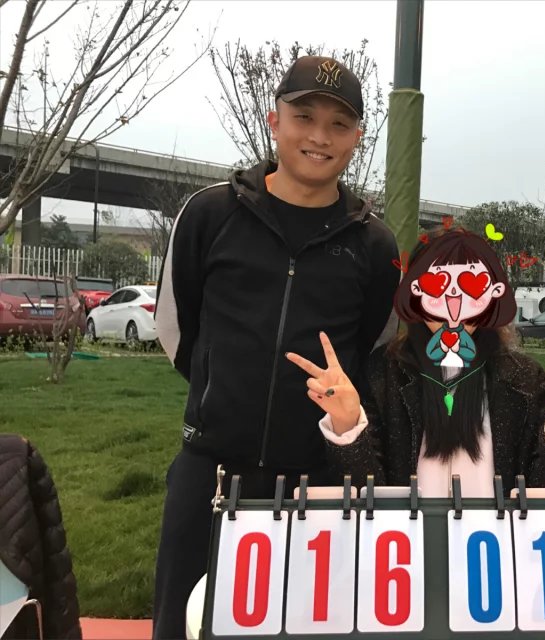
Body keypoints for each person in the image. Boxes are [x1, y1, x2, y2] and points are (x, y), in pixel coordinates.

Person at [152, 55, 400, 639]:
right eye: (304, 116)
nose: (320, 136)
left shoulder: (373, 243)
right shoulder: (210, 213)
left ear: (358, 138)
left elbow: (373, 350)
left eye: (339, 124)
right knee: (185, 626)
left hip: (317, 480)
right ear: (274, 119)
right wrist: (220, 390)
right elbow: (176, 328)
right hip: (209, 472)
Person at [285, 228, 545, 495]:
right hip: (407, 554)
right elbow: (364, 495)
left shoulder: (522, 377)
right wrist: (347, 426)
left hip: (495, 555)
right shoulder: (385, 371)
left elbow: (542, 499)